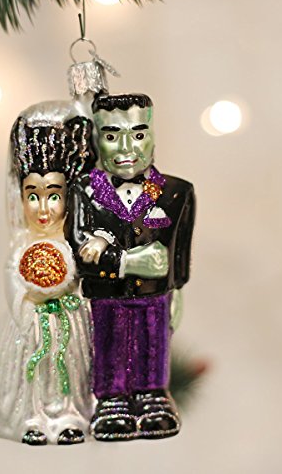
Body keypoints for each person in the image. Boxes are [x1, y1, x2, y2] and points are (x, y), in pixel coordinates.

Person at [65, 93, 196, 441]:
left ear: (152, 135)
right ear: (97, 140)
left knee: (153, 342)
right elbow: (79, 250)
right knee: (110, 343)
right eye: (112, 136)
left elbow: (180, 248)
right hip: (106, 296)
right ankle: (112, 400)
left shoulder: (176, 193)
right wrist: (126, 262)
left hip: (155, 297)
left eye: (138, 134)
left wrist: (178, 289)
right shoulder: (84, 192)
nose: (126, 148)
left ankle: (153, 396)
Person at [0, 113, 95, 446]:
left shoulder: (73, 241)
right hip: (31, 321)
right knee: (32, 371)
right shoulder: (21, 245)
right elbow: (12, 276)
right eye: (33, 196)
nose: (43, 208)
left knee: (68, 370)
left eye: (53, 195)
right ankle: (31, 417)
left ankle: (70, 416)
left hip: (68, 320)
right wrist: (26, 307)